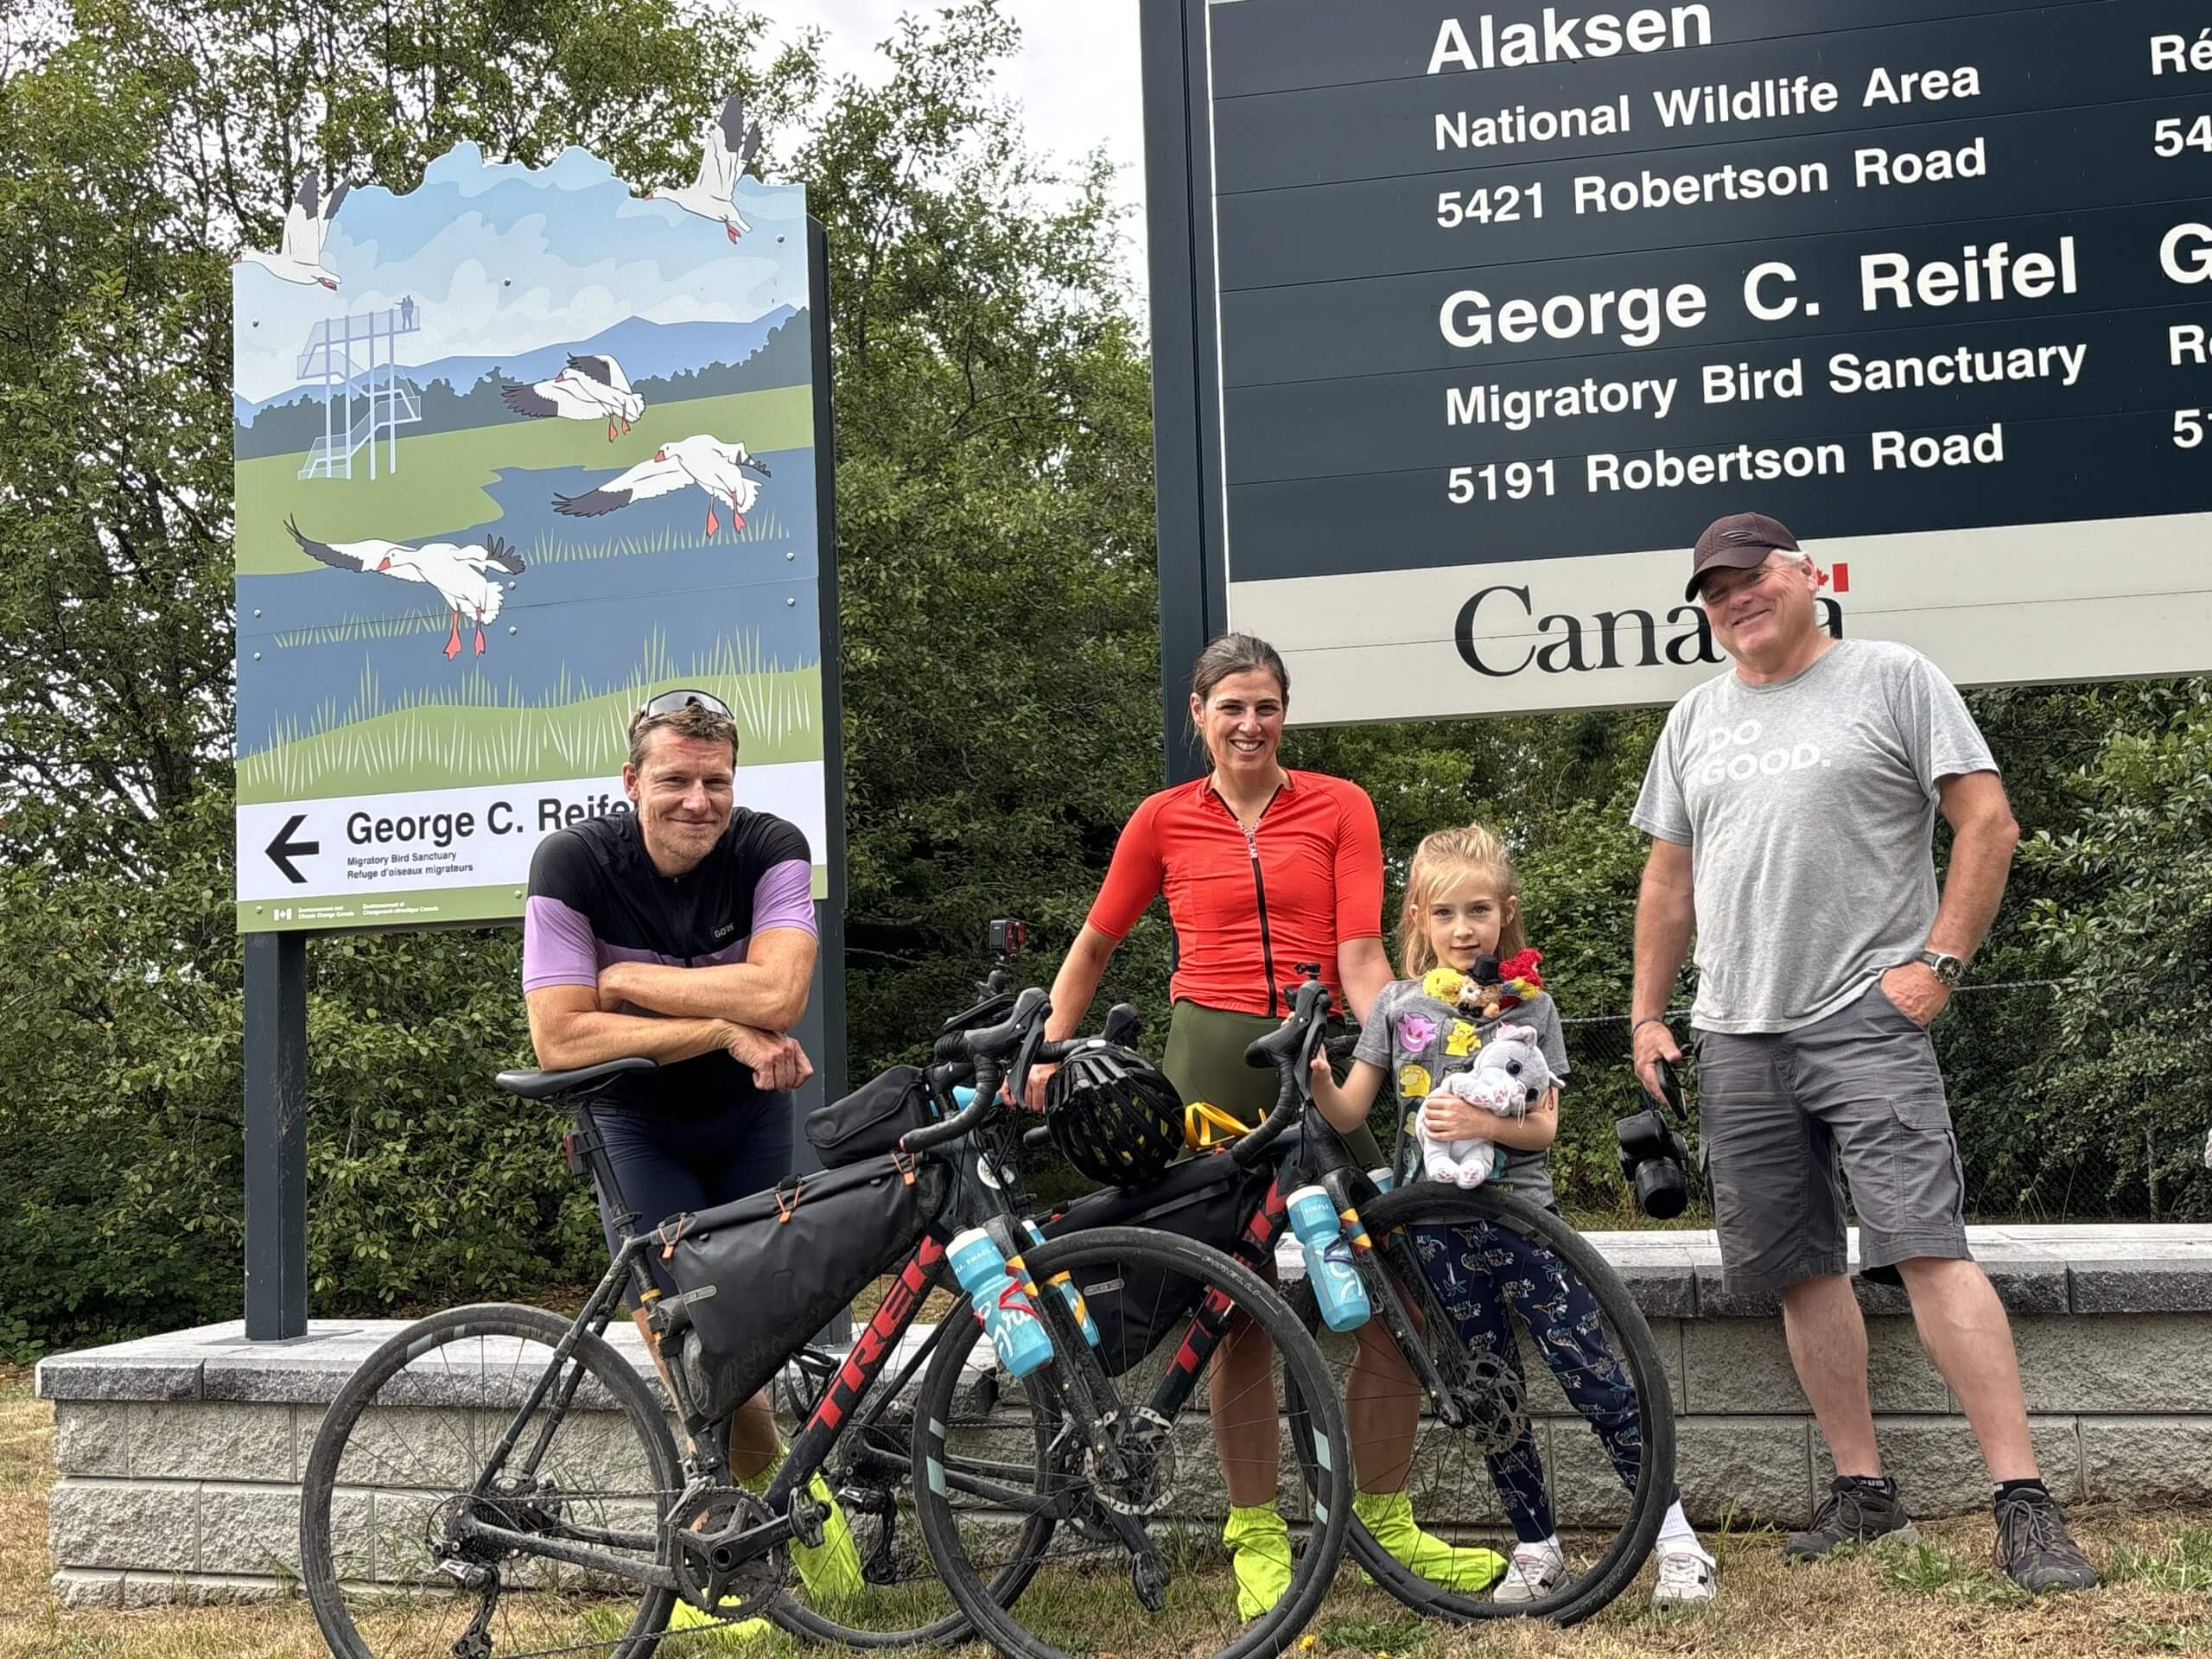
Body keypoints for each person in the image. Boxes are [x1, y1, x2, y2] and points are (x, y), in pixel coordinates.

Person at [1628, 512, 2097, 1593]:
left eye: (1752, 576)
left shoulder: (1893, 677)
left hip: (1865, 1018)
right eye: (1715, 592)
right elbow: (1667, 880)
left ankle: (2023, 1503)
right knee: (1797, 1270)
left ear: (1805, 576)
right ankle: (1864, 1491)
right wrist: (1650, 1014)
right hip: (1734, 1031)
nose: (1735, 599)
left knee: (1927, 1247)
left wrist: (1940, 963)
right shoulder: (1694, 718)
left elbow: (1988, 822)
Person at [1031, 633, 1503, 1616]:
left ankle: (1385, 1519)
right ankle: (1253, 1532)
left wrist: (1419, 1043)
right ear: (1197, 715)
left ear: (1286, 712)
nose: (1250, 725)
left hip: (1312, 1052)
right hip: (1206, 1064)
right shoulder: (1162, 818)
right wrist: (1047, 1051)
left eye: (1267, 707)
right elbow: (1094, 944)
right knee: (1232, 1307)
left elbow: (1360, 954)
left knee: (1397, 1288)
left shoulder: (1339, 805)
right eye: (1231, 707)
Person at [521, 688, 864, 1635]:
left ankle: (777, 1512)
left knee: (756, 1332)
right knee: (692, 1347)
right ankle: (740, 1545)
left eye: (716, 781)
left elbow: (781, 995)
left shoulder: (771, 847)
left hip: (745, 1116)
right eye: (674, 780)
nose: (697, 801)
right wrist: (720, 1024)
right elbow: (560, 1037)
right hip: (634, 1127)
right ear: (632, 782)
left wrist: (627, 981)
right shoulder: (572, 862)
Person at [1308, 823, 1719, 1607]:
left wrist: (1481, 1124)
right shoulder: (1396, 1006)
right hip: (1432, 1231)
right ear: (1418, 918)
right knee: (1487, 1390)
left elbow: (1545, 1129)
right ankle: (1536, 1545)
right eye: (1444, 914)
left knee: (1591, 1374)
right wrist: (1322, 1079)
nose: (1463, 929)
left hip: (1522, 1222)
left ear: (1506, 912)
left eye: (1479, 911)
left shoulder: (1531, 1005)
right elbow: (1352, 1107)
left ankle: (1675, 1539)